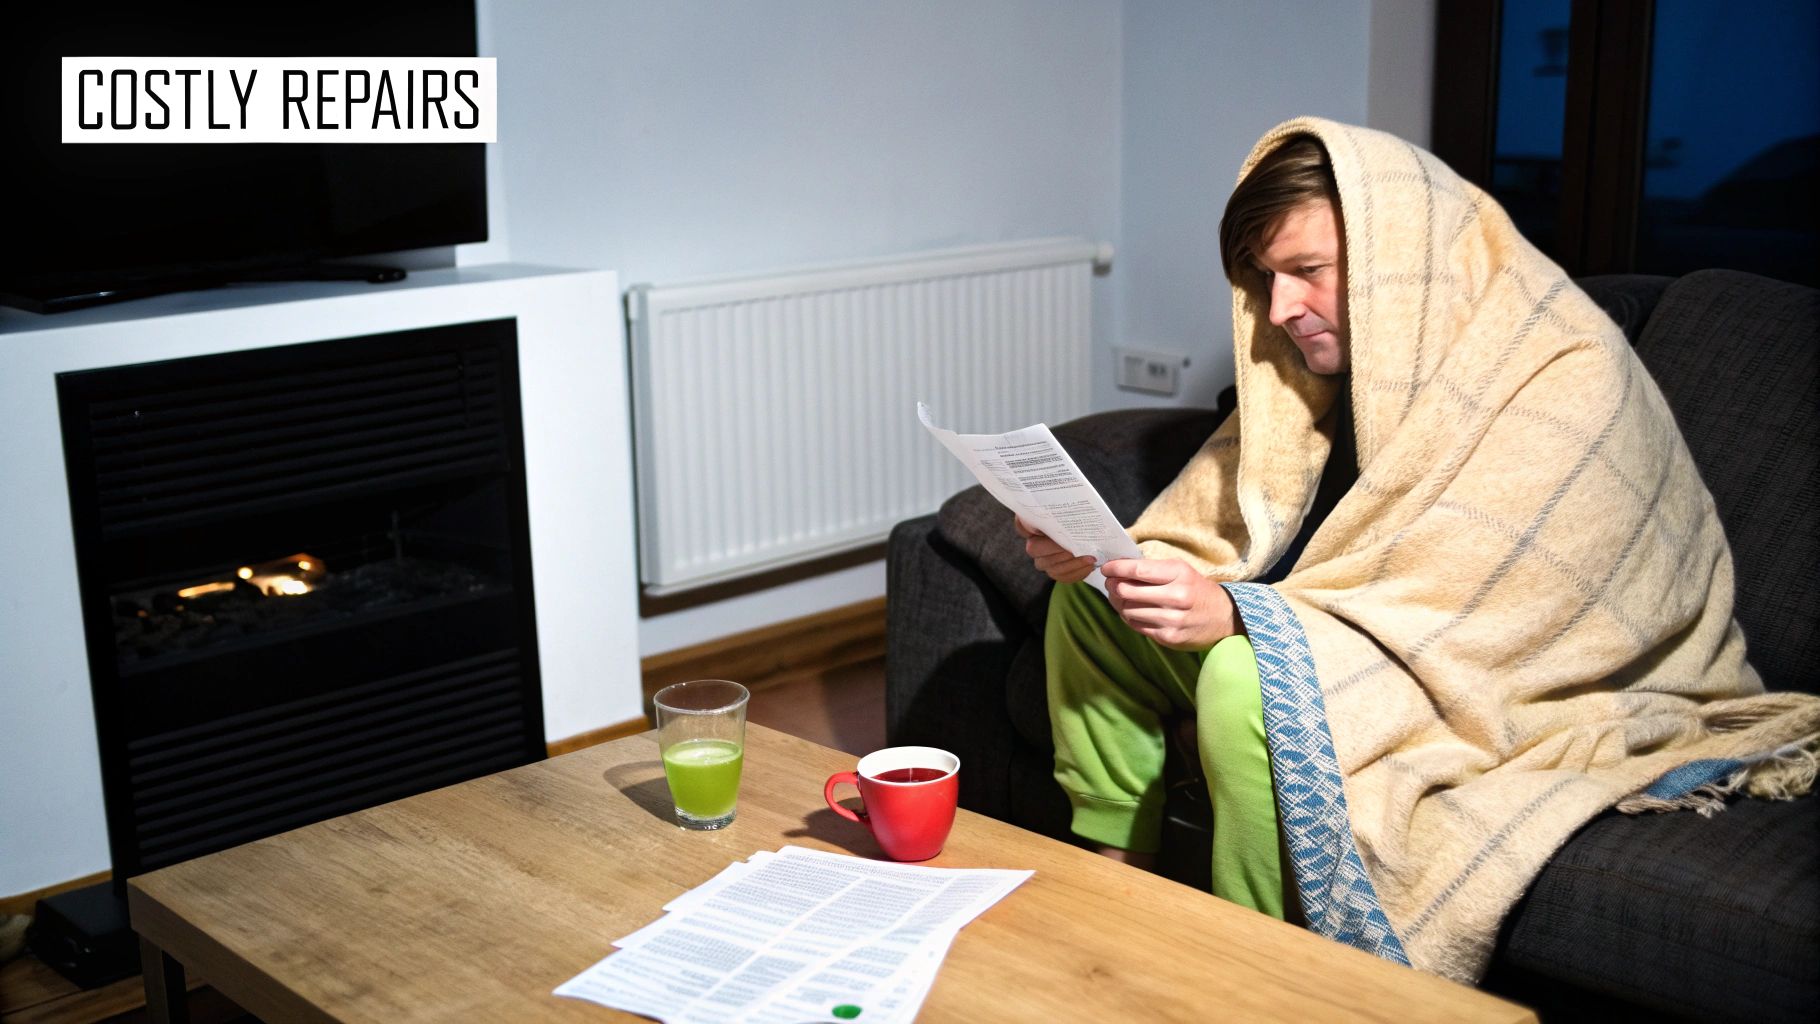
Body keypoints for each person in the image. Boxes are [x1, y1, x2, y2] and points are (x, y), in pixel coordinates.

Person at [1017, 117, 1820, 982]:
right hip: (1344, 634)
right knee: (1090, 609)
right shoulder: (1314, 371)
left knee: (1242, 683)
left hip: (1510, 681)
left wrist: (1240, 620)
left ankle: (1254, 965)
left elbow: (1496, 617)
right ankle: (1112, 879)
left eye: (1307, 272)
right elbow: (1238, 525)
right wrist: (1113, 560)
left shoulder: (1562, 374)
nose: (1281, 308)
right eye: (1265, 277)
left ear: (1404, 263)